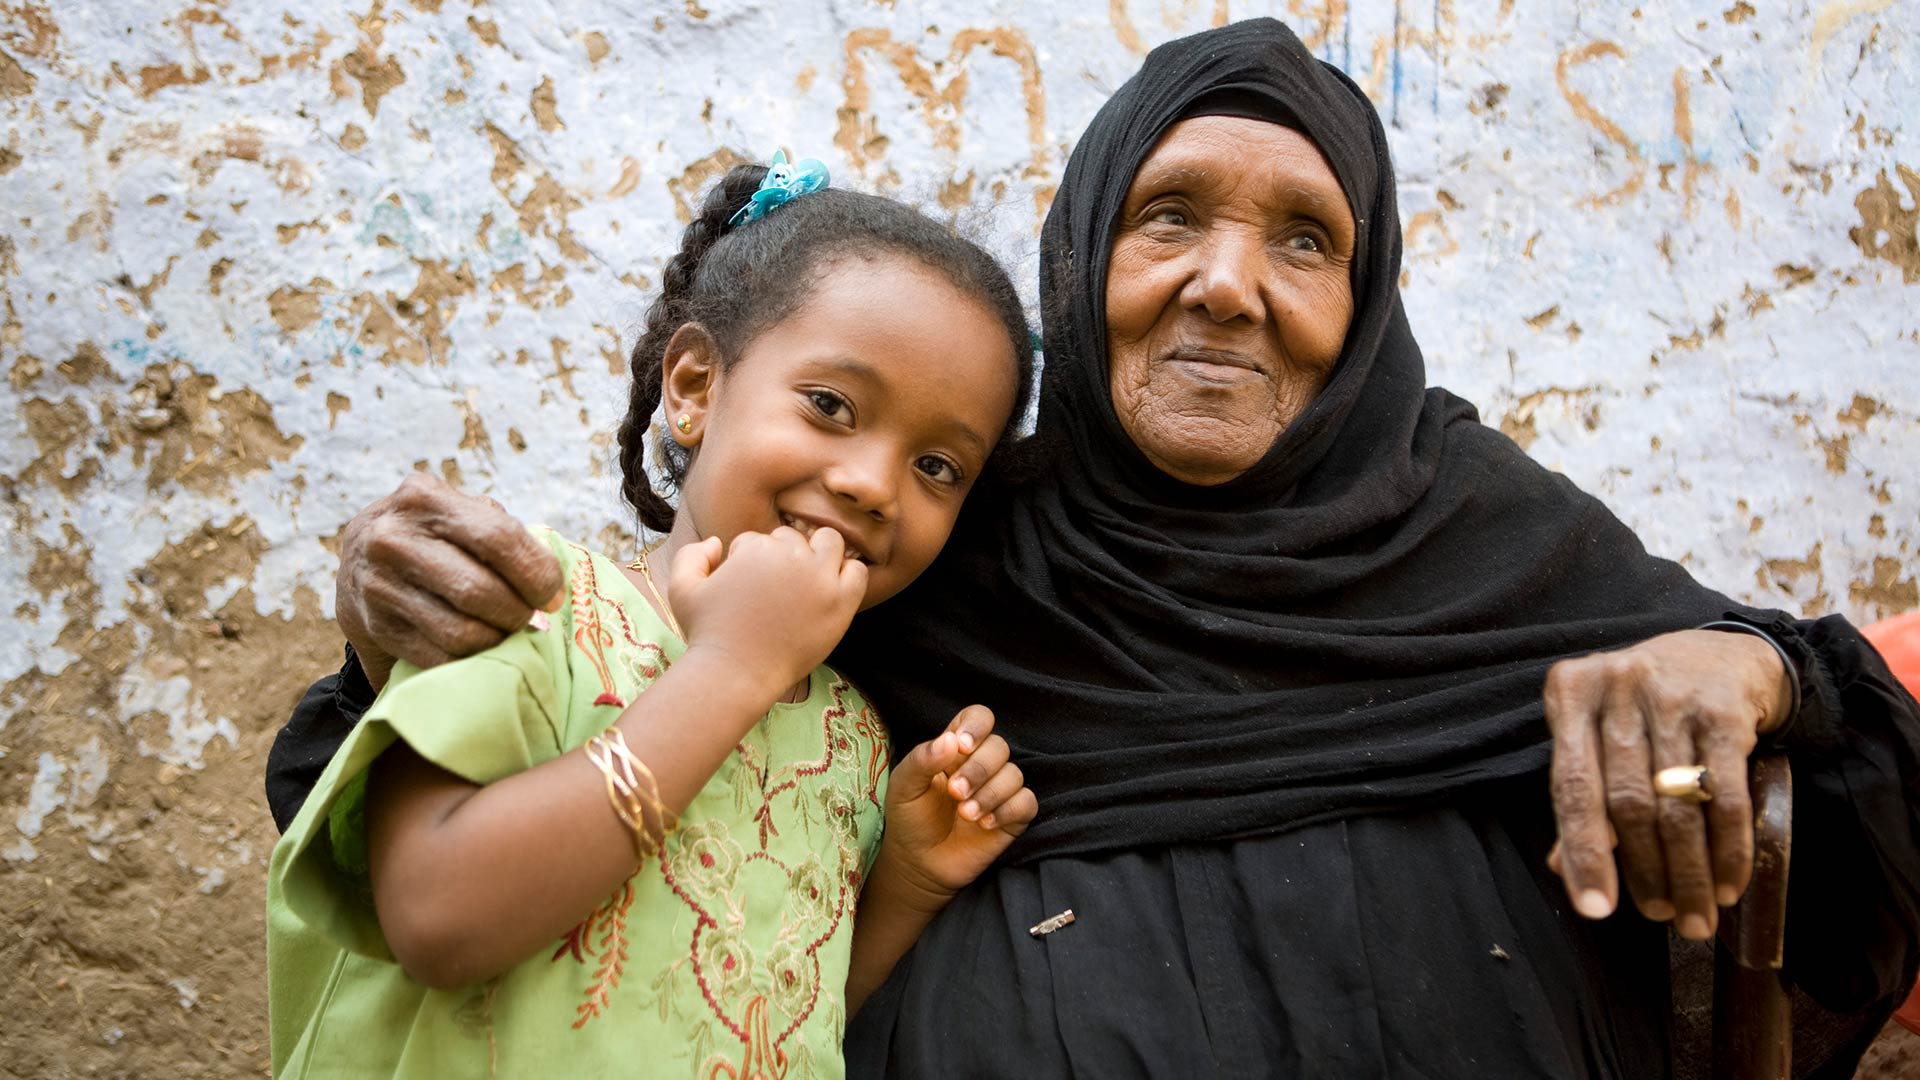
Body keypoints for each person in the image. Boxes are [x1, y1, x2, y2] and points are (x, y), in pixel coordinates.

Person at [269, 21, 1920, 1078]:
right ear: (1087, 254)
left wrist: (1755, 664)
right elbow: (509, 755)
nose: (1226, 284)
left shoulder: (1476, 529)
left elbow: (1833, 762)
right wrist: (404, 616)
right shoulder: (935, 541)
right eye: (1170, 216)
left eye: (1305, 241)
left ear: (1362, 314)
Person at [266, 158, 1043, 1078]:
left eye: (938, 467)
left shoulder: (857, 740)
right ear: (694, 388)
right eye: (830, 405)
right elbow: (436, 919)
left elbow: (788, 1011)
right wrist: (728, 669)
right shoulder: (532, 608)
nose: (874, 484)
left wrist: (907, 881)